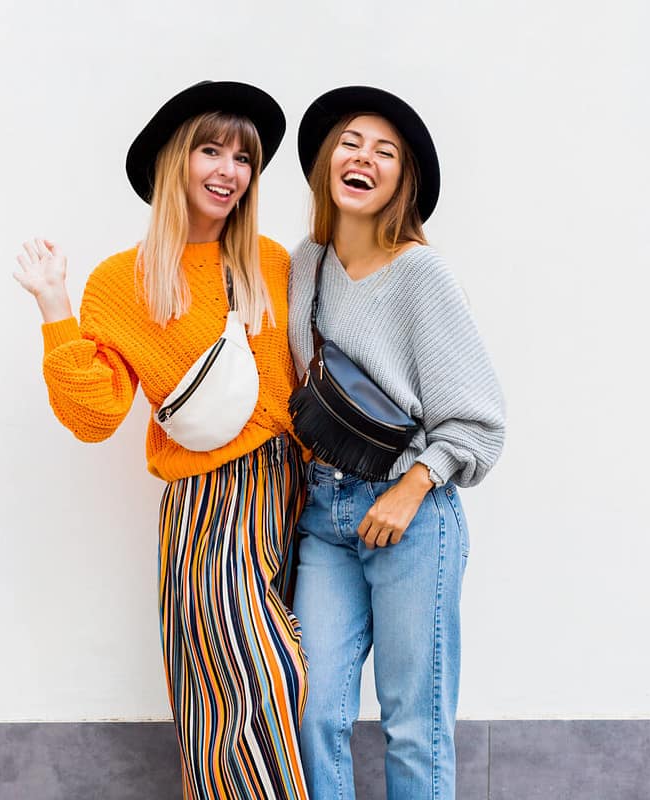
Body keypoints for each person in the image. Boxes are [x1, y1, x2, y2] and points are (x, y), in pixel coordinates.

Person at [12, 81, 310, 800]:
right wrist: (55, 306)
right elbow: (95, 418)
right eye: (210, 149)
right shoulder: (125, 281)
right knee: (251, 682)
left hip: (295, 498)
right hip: (209, 507)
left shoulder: (272, 264)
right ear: (175, 161)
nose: (228, 170)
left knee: (276, 688)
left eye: (243, 157)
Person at [287, 86, 506, 800]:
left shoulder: (420, 273)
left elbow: (477, 421)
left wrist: (412, 489)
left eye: (386, 153)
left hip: (411, 515)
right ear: (326, 162)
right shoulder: (304, 265)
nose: (364, 159)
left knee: (415, 724)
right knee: (313, 711)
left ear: (401, 182)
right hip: (324, 519)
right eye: (351, 142)